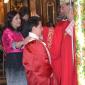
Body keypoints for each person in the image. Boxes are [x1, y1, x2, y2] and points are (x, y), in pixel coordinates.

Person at [50, 2, 77, 85]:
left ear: (70, 6)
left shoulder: (62, 25)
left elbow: (55, 52)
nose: (62, 10)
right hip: (68, 64)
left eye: (63, 7)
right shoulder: (63, 25)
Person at [23, 16, 54, 85]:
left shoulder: (32, 42)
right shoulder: (35, 44)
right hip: (40, 80)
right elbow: (43, 63)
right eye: (40, 27)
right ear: (34, 28)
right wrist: (51, 71)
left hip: (35, 78)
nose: (42, 29)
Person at [2, 10, 27, 85]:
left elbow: (24, 44)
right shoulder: (7, 31)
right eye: (16, 18)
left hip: (20, 60)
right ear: (10, 20)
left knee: (23, 82)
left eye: (19, 18)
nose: (19, 20)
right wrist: (26, 40)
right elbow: (14, 45)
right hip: (13, 61)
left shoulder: (18, 32)